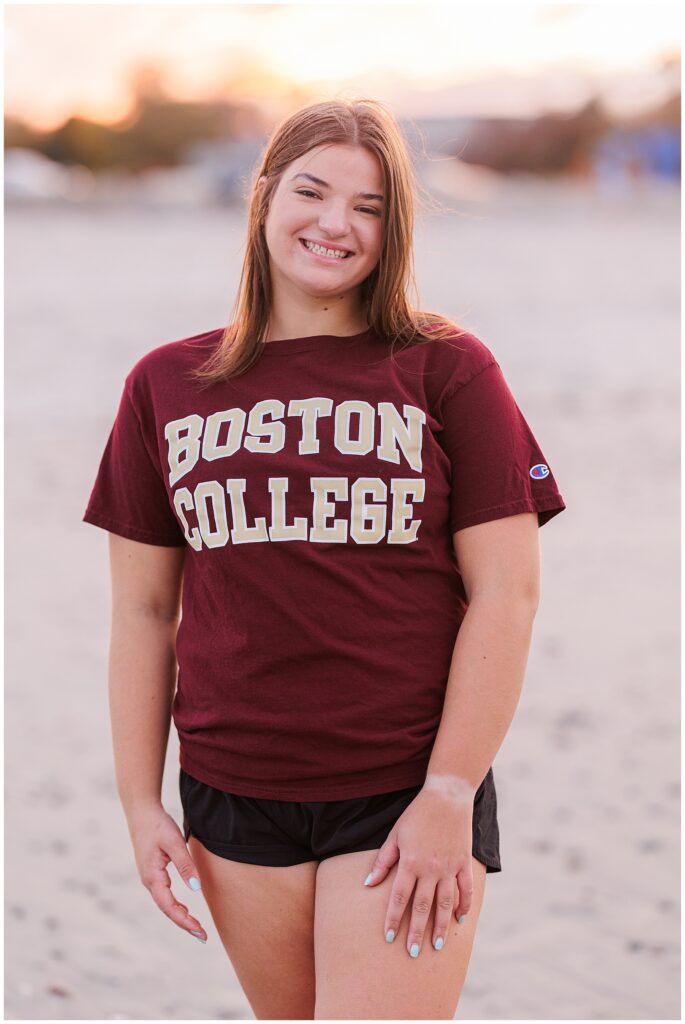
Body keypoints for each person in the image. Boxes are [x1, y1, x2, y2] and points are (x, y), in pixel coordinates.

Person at [83, 97, 566, 1020]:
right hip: (231, 791)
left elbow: (506, 594)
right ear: (263, 196)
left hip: (400, 786)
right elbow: (144, 613)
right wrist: (141, 803)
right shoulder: (164, 386)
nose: (335, 224)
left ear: (393, 232)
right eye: (312, 190)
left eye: (371, 207)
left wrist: (449, 792)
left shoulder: (446, 369)